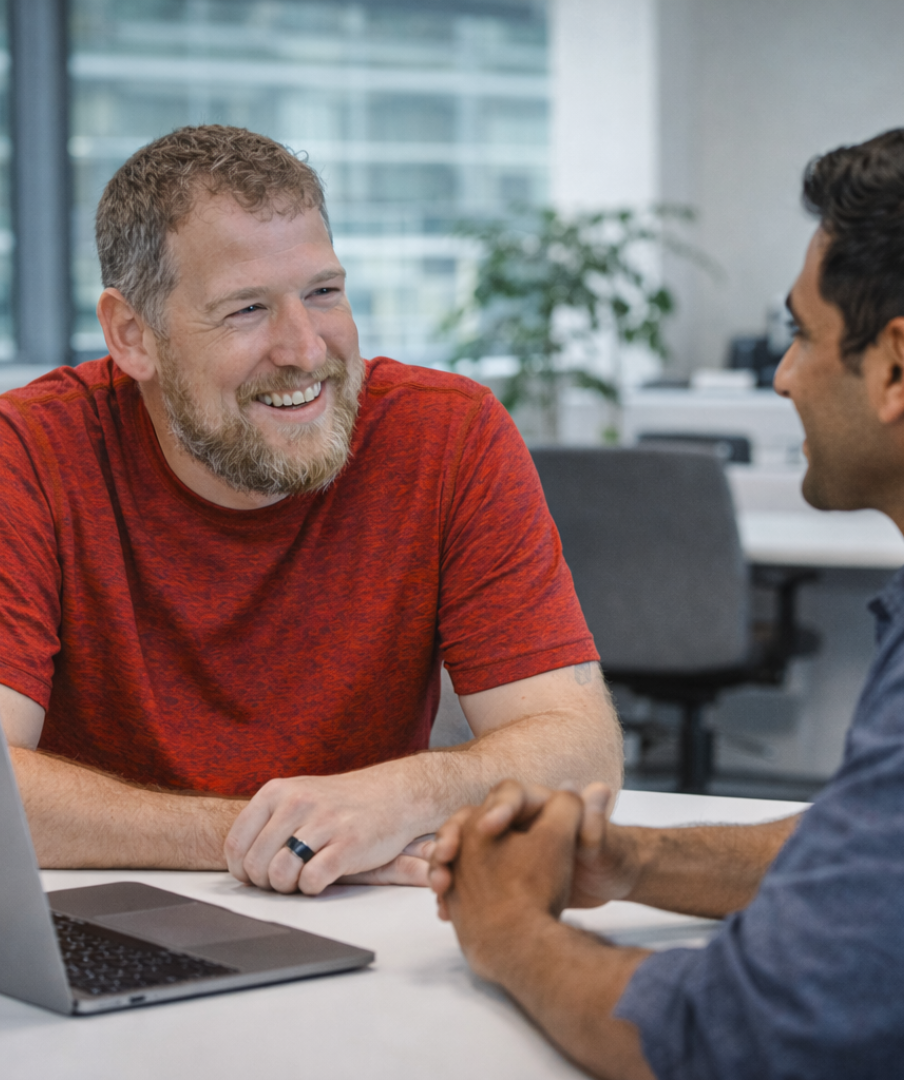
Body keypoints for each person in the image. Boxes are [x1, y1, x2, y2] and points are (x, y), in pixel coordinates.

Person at [429, 125, 904, 1079]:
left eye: (803, 335)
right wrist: (636, 863)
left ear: (898, 367)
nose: (783, 376)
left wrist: (508, 931)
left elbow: (755, 1043)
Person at [0, 125, 622, 897]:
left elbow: (581, 749)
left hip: (363, 917)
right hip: (114, 916)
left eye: (324, 292)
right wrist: (263, 835)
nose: (304, 348)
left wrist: (403, 797)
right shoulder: (28, 453)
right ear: (134, 337)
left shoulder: (448, 436)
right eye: (246, 310)